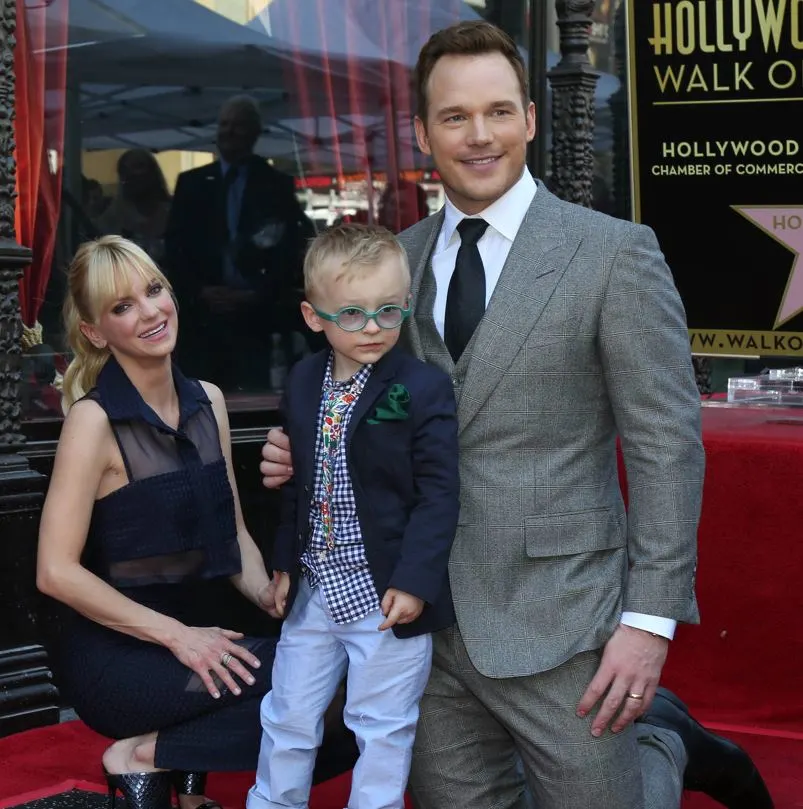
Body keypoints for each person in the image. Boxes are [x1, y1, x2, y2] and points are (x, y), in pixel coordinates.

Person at [259, 20, 773, 809]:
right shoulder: (389, 260)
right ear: (424, 131)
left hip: (562, 617)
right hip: (418, 622)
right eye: (454, 116)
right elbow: (357, 403)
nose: (479, 135)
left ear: (530, 118)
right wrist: (306, 447)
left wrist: (649, 620)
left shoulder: (612, 252)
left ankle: (664, 746)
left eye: (498, 111)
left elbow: (665, 444)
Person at [35, 236, 355, 809]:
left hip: (204, 635)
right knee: (318, 682)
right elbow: (55, 572)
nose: (151, 311)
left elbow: (229, 531)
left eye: (154, 290)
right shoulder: (93, 422)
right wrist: (178, 638)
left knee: (359, 684)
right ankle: (138, 755)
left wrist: (265, 592)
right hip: (121, 656)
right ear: (94, 332)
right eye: (122, 306)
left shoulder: (208, 400)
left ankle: (157, 755)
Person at [246, 224, 460, 809]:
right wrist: (285, 564)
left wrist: (415, 581)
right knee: (288, 712)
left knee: (382, 724)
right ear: (314, 317)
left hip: (384, 592)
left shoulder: (422, 387)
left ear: (408, 306)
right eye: (353, 314)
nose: (372, 328)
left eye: (389, 312)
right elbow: (295, 484)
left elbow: (439, 495)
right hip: (315, 587)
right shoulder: (301, 380)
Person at [164, 95, 315, 391]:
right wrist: (201, 291)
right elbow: (176, 247)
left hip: (256, 318)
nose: (229, 131)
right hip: (203, 319)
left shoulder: (275, 184)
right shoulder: (192, 183)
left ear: (255, 133)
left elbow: (289, 250)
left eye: (238, 125)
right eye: (224, 124)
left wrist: (256, 293)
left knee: (253, 395)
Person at [98, 150, 172, 263]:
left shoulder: (174, 216)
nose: (131, 174)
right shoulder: (111, 220)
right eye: (125, 169)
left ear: (153, 172)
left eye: (139, 166)